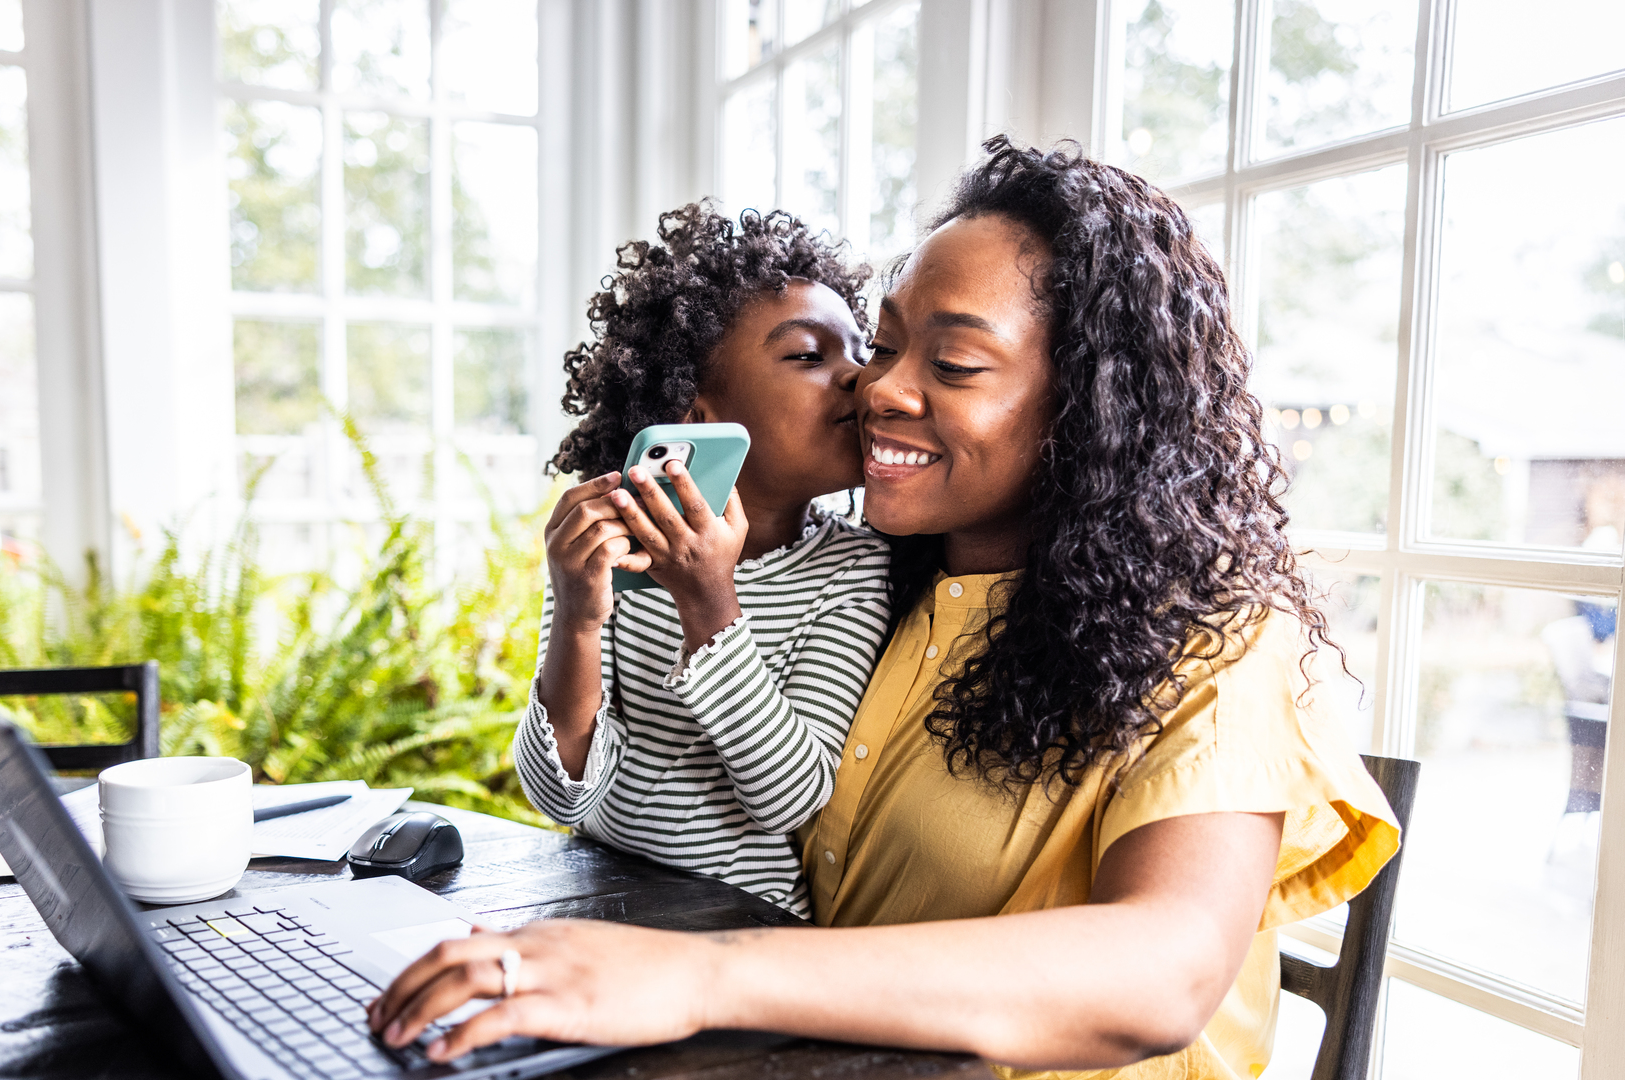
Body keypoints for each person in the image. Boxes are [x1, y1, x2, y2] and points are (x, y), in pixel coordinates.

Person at [377, 140, 1400, 1080]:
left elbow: (1163, 973)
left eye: (952, 364)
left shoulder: (1218, 642)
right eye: (884, 346)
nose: (875, 390)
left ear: (1091, 410)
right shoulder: (901, 594)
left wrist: (698, 977)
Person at [513, 202, 892, 918]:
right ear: (694, 416)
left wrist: (709, 603)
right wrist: (579, 620)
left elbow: (791, 796)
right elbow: (558, 792)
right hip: (599, 908)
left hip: (742, 933)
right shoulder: (613, 556)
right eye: (810, 355)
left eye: (861, 351)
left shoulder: (851, 572)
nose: (859, 378)